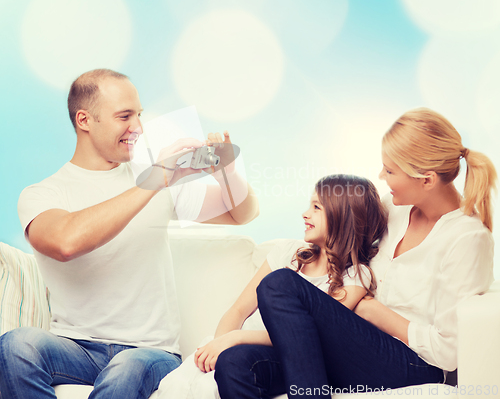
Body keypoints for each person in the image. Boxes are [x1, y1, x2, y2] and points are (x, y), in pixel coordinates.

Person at [0, 69, 259, 399]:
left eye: (139, 114)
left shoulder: (158, 180)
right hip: (76, 348)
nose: (137, 126)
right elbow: (66, 242)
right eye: (125, 116)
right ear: (85, 120)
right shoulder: (42, 194)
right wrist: (155, 179)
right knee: (16, 345)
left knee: (125, 370)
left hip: (150, 354)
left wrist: (228, 171)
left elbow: (243, 213)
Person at [215, 107, 497, 399]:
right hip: (354, 344)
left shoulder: (467, 238)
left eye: (390, 171)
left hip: (412, 363)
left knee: (279, 284)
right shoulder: (393, 209)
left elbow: (447, 352)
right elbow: (344, 229)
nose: (381, 176)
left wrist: (374, 312)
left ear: (426, 180)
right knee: (234, 364)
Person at [157, 174, 388, 399]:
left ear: (343, 216)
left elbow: (306, 337)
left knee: (234, 365)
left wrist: (236, 339)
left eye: (317, 207)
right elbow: (238, 310)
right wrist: (220, 344)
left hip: (281, 357)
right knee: (189, 382)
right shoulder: (288, 253)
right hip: (237, 345)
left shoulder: (356, 277)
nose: (305, 214)